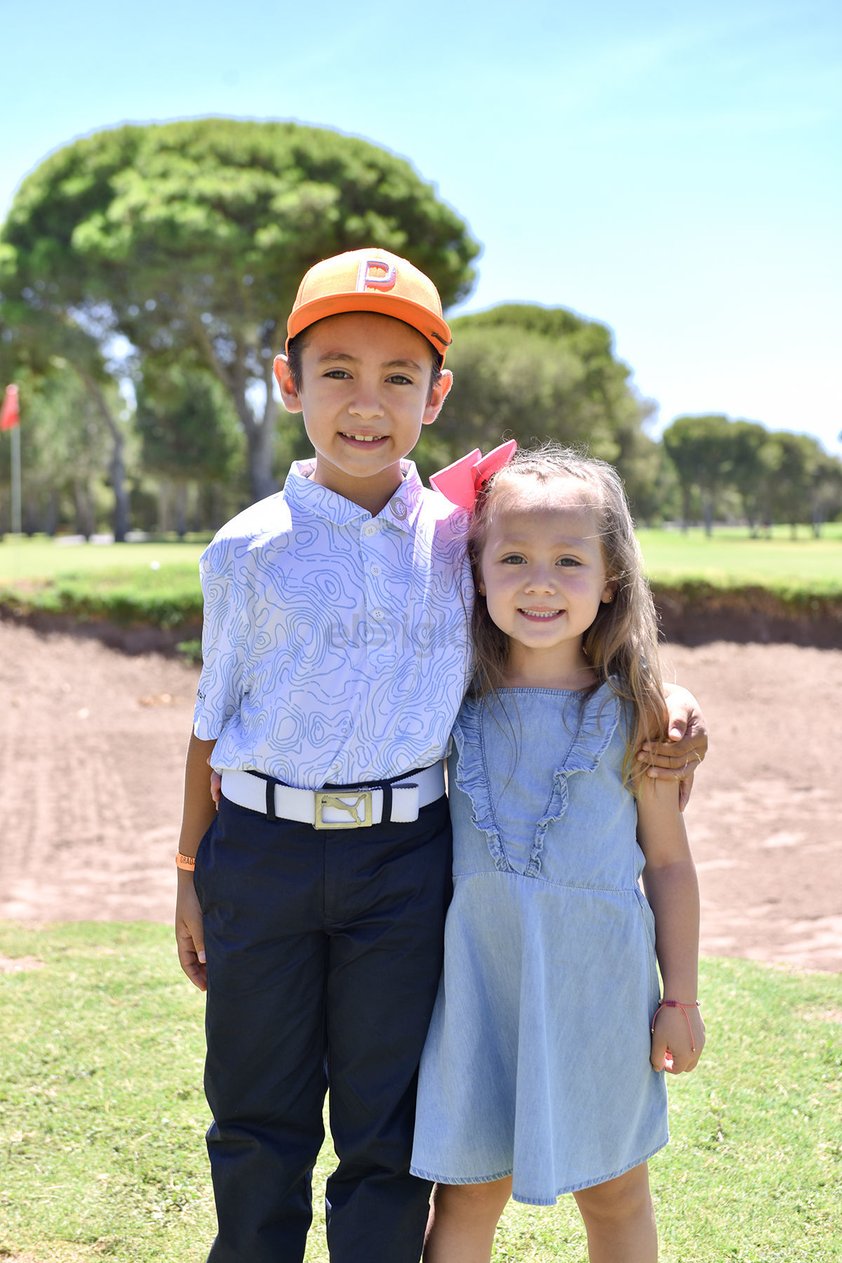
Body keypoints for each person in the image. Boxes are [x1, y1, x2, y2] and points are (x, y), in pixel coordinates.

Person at [174, 248, 707, 1263]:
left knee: (387, 1133)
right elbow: (209, 712)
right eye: (335, 370)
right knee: (255, 1118)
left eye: (397, 378)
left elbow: (564, 606)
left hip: (399, 863)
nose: (366, 402)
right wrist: (189, 866)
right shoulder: (244, 548)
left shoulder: (460, 534)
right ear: (287, 381)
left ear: (436, 394)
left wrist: (665, 692)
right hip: (262, 851)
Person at [410, 445, 706, 1263]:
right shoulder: (449, 698)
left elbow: (670, 865)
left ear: (610, 576)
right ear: (475, 568)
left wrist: (679, 996)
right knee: (466, 1191)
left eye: (569, 560)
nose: (540, 582)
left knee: (615, 1193)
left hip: (600, 991)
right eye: (513, 558)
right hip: (479, 988)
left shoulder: (638, 713)